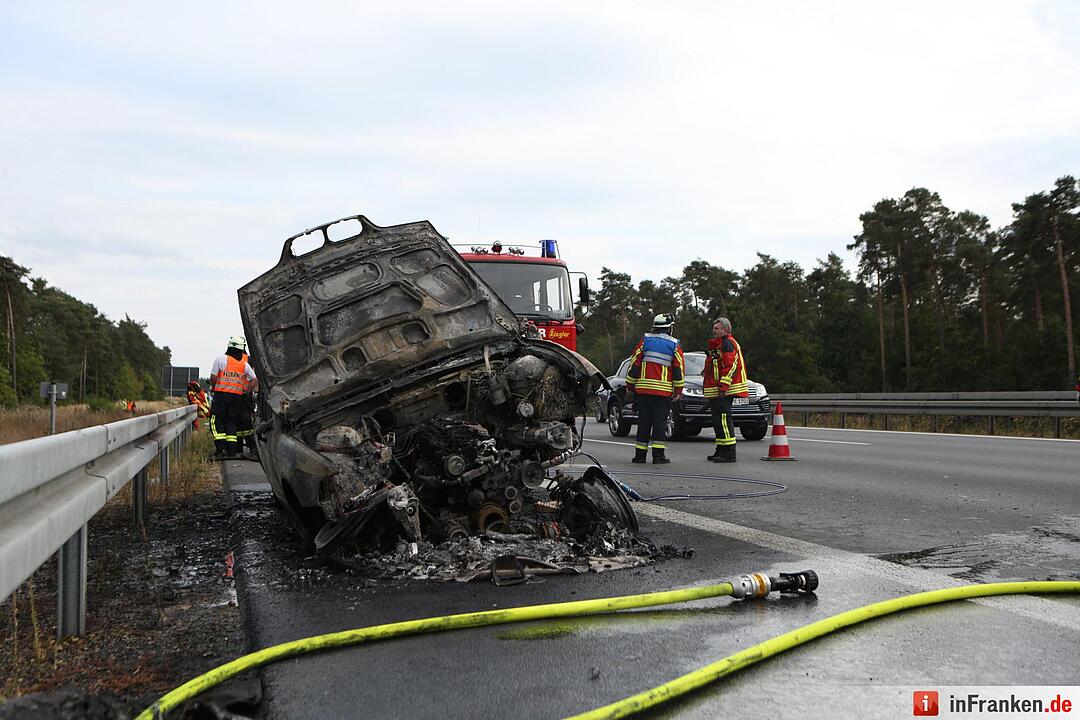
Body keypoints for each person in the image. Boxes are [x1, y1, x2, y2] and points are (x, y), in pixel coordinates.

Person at [625, 313, 685, 464]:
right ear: (669, 328)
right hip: (662, 392)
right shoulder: (674, 345)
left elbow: (634, 365)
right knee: (659, 424)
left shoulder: (645, 341)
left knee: (643, 423)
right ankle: (658, 456)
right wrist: (678, 391)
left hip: (644, 391)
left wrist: (630, 386)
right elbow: (678, 370)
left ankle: (640, 456)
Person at [703, 317, 748, 462]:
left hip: (724, 390)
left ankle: (729, 453)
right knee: (717, 421)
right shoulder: (719, 344)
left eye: (717, 328)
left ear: (725, 330)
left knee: (723, 420)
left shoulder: (728, 343)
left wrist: (724, 386)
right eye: (714, 328)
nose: (714, 331)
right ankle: (721, 449)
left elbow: (731, 365)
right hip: (717, 389)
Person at [209, 336, 257, 459]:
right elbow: (254, 379)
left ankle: (220, 450)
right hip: (237, 397)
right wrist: (246, 392)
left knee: (217, 420)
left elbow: (213, 377)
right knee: (232, 422)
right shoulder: (244, 364)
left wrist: (214, 387)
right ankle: (232, 451)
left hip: (221, 395)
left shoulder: (220, 359)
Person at [235, 352, 259, 460]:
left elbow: (254, 379)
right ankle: (251, 446)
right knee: (245, 422)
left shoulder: (237, 360)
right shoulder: (248, 360)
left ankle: (240, 447)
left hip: (240, 395)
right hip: (245, 395)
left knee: (240, 422)